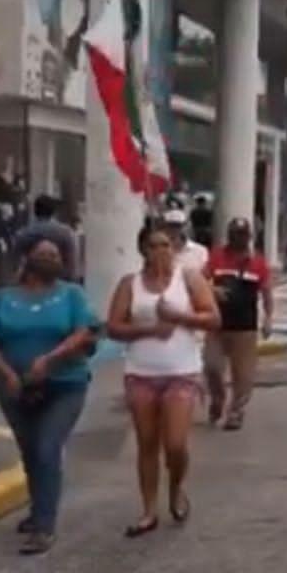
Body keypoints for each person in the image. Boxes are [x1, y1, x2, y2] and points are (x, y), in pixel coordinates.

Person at [0, 233, 97, 555]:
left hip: (65, 384)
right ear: (26, 258)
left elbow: (84, 332)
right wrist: (7, 374)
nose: (51, 259)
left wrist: (50, 360)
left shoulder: (72, 295)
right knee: (29, 451)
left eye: (55, 255)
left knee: (46, 447)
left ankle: (44, 526)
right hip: (15, 386)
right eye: (44, 254)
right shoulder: (4, 297)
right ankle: (36, 510)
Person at [105, 222, 221, 538]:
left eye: (166, 245)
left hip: (181, 371)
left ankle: (177, 486)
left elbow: (213, 317)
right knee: (147, 444)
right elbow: (114, 326)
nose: (161, 251)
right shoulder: (131, 284)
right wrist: (149, 329)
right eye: (154, 245)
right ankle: (148, 510)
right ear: (143, 250)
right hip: (141, 372)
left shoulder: (189, 279)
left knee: (175, 443)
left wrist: (180, 318)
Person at [203, 217, 274, 430]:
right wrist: (212, 290)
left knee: (243, 374)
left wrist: (268, 318)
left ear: (249, 237)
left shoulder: (258, 263)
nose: (238, 238)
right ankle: (218, 399)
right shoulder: (216, 257)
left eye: (243, 234)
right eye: (235, 234)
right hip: (217, 324)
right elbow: (200, 281)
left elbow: (267, 292)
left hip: (245, 327)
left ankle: (236, 412)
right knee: (212, 366)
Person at [12, 195, 80, 281]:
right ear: (54, 212)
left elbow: (16, 264)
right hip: (59, 283)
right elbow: (72, 264)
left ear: (35, 211)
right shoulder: (66, 233)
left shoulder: (23, 234)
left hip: (33, 284)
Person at [164, 209, 210, 277]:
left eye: (178, 225)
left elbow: (206, 276)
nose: (175, 229)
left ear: (186, 226)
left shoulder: (200, 250)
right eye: (171, 225)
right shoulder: (159, 251)